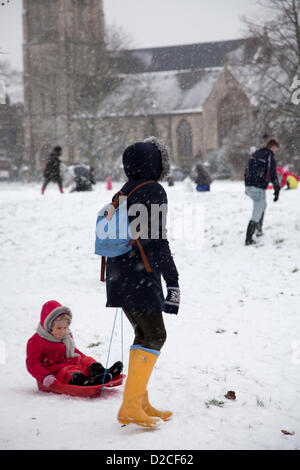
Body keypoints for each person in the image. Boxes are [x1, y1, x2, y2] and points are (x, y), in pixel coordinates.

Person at [105, 136, 180, 428]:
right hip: (140, 274)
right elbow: (157, 240)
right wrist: (172, 283)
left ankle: (138, 401)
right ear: (157, 164)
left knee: (143, 333)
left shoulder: (125, 191)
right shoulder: (154, 190)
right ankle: (129, 405)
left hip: (119, 274)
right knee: (156, 335)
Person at [26, 300, 123, 387]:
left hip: (70, 362)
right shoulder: (36, 341)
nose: (63, 331)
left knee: (86, 360)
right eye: (59, 328)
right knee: (69, 372)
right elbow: (32, 363)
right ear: (48, 327)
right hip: (55, 370)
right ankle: (85, 382)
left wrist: (86, 360)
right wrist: (45, 376)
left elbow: (73, 350)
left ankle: (103, 372)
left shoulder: (66, 336)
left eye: (65, 328)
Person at [244, 139, 281, 245]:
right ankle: (248, 238)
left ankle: (259, 230)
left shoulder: (256, 154)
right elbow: (272, 174)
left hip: (250, 185)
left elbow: (247, 169)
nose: (275, 152)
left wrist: (247, 185)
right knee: (258, 209)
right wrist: (277, 188)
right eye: (276, 149)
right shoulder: (269, 156)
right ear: (273, 147)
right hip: (258, 186)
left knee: (262, 206)